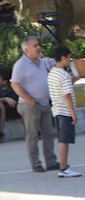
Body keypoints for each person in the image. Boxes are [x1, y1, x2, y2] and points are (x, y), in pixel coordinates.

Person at [11, 37, 59, 173]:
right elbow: (15, 84)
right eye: (35, 46)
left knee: (48, 133)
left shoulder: (42, 62)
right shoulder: (20, 64)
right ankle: (36, 163)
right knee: (33, 135)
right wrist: (29, 99)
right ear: (26, 50)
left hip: (44, 103)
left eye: (38, 45)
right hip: (30, 105)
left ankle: (51, 162)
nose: (39, 48)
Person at [48, 46, 81, 178]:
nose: (69, 60)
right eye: (68, 57)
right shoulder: (64, 75)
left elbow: (62, 88)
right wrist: (73, 113)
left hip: (56, 109)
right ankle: (64, 167)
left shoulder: (52, 73)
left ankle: (63, 166)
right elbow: (67, 95)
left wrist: (72, 81)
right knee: (64, 140)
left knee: (62, 139)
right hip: (65, 110)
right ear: (63, 58)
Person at [0, 67, 20, 144]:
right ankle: (1, 133)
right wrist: (5, 99)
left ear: (5, 81)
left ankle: (32, 131)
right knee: (1, 106)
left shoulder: (12, 88)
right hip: (2, 110)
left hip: (14, 109)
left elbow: (15, 101)